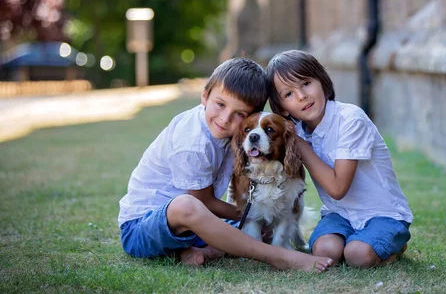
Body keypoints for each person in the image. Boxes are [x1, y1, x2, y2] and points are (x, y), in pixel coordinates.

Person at [118, 57, 333, 272]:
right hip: (142, 228)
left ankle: (201, 252)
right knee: (187, 205)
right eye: (220, 105)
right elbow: (204, 202)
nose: (225, 119)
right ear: (205, 96)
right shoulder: (193, 143)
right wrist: (256, 214)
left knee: (262, 230)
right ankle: (277, 256)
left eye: (239, 114)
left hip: (191, 228)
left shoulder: (237, 137)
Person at [266, 50, 413, 269]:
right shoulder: (297, 131)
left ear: (322, 81)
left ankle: (394, 243)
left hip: (382, 213)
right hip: (340, 215)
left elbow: (337, 188)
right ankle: (360, 240)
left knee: (357, 256)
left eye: (306, 83)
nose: (301, 96)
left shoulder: (350, 119)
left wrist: (300, 144)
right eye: (288, 94)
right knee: (325, 251)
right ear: (283, 109)